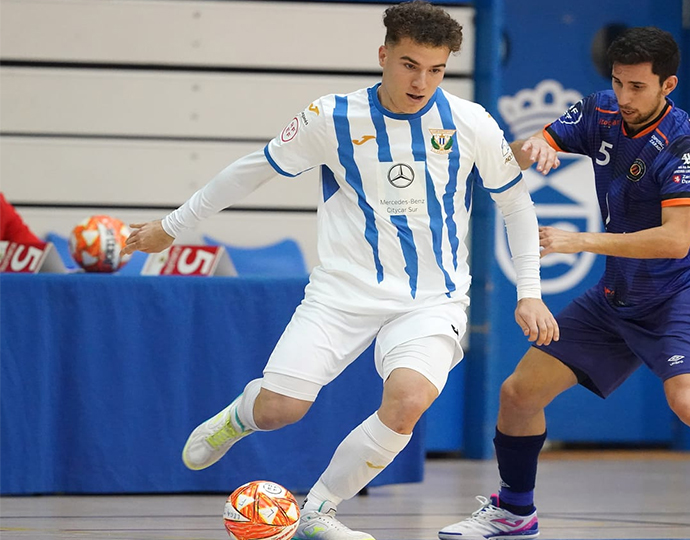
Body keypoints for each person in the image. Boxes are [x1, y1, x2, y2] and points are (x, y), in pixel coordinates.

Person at [121, 3, 559, 540]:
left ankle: (318, 513)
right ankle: (239, 416)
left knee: (408, 402)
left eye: (436, 69)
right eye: (409, 64)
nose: (422, 81)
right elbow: (249, 172)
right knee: (282, 409)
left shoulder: (470, 123)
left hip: (433, 299)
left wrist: (530, 292)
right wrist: (173, 225)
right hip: (341, 293)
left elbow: (516, 206)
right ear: (383, 55)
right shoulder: (330, 117)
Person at [438, 27, 690, 540]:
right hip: (615, 298)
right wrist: (534, 150)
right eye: (618, 83)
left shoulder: (685, 144)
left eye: (637, 87)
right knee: (519, 394)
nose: (624, 97)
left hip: (679, 297)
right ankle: (515, 511)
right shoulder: (599, 111)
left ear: (668, 84)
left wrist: (580, 242)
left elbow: (675, 239)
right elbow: (533, 145)